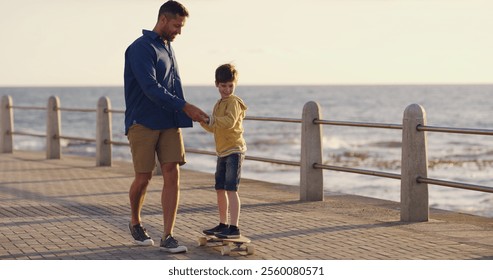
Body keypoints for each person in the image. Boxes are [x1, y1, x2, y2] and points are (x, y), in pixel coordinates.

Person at [123, 0, 208, 253]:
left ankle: (168, 236)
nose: (179, 31)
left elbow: (172, 86)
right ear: (162, 19)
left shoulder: (167, 47)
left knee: (172, 172)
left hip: (169, 121)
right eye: (176, 25)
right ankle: (136, 221)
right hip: (143, 121)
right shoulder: (140, 48)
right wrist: (185, 107)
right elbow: (150, 88)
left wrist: (182, 113)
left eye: (181, 26)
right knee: (144, 177)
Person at [201, 64, 247, 239]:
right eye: (223, 86)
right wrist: (204, 122)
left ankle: (234, 227)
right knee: (220, 188)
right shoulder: (218, 104)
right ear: (216, 85)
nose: (227, 89)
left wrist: (210, 119)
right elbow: (216, 128)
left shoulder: (234, 103)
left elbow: (229, 122)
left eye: (230, 85)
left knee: (231, 189)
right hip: (222, 152)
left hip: (235, 150)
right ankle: (223, 224)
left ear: (235, 84)